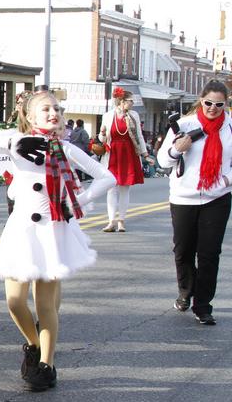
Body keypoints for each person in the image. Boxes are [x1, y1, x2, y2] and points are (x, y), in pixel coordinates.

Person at [0, 91, 115, 391]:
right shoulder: (18, 142)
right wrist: (16, 142)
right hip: (21, 231)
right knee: (14, 300)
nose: (53, 113)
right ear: (31, 117)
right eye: (46, 109)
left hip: (52, 230)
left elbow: (107, 177)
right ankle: (33, 344)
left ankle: (47, 364)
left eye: (57, 109)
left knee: (46, 304)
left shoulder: (66, 148)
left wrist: (77, 200)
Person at [157, 80, 232, 325]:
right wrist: (176, 150)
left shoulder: (230, 127)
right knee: (183, 251)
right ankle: (185, 291)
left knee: (210, 254)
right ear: (201, 100)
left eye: (218, 104)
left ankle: (203, 305)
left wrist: (226, 180)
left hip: (217, 198)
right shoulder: (184, 125)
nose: (212, 108)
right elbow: (163, 162)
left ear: (226, 103)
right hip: (183, 198)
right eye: (208, 102)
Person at [98, 88, 149, 232]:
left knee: (124, 188)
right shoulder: (108, 116)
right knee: (111, 188)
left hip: (128, 154)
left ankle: (121, 220)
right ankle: (111, 221)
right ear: (121, 101)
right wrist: (102, 133)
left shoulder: (134, 116)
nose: (133, 103)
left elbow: (139, 136)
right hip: (112, 154)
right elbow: (102, 139)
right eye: (130, 101)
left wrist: (145, 154)